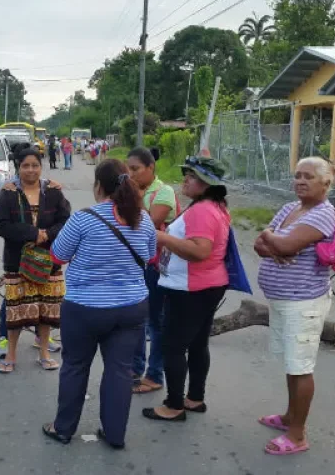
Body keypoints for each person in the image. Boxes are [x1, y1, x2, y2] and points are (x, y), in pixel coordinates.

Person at [42, 159, 155, 449]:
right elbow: (151, 257)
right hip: (131, 308)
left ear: (99, 186)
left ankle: (63, 428)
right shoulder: (143, 220)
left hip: (84, 309)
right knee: (120, 370)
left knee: (75, 367)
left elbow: (57, 256)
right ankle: (115, 434)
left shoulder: (83, 219)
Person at [254, 156, 335, 455]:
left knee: (301, 366)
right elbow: (260, 246)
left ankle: (297, 435)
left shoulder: (323, 213)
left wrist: (272, 238)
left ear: (326, 184)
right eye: (298, 175)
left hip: (304, 301)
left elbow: (285, 246)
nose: (300, 181)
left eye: (309, 177)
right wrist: (272, 241)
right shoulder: (291, 208)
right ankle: (290, 418)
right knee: (292, 363)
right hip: (283, 299)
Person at [142, 155, 230, 423]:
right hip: (206, 285)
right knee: (197, 343)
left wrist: (163, 237)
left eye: (191, 176)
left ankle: (174, 404)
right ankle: (194, 397)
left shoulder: (203, 211)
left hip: (191, 288)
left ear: (205, 183)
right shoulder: (214, 206)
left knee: (173, 346)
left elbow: (200, 250)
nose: (185, 180)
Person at [0, 149, 71, 374]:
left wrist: (47, 234)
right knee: (16, 309)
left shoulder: (54, 192)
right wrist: (31, 233)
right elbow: (1, 224)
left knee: (46, 308)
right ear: (19, 167)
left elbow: (66, 220)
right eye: (26, 166)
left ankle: (44, 353)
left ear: (41, 166)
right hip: (17, 261)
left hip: (49, 260)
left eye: (35, 165)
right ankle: (11, 355)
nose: (30, 170)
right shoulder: (9, 193)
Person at [126, 148, 180, 395]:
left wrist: (134, 197)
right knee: (138, 319)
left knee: (156, 322)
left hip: (157, 266)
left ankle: (155, 374)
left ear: (151, 167)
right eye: (129, 169)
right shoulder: (134, 191)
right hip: (136, 264)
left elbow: (144, 225)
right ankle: (136, 367)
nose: (131, 174)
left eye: (136, 169)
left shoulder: (163, 192)